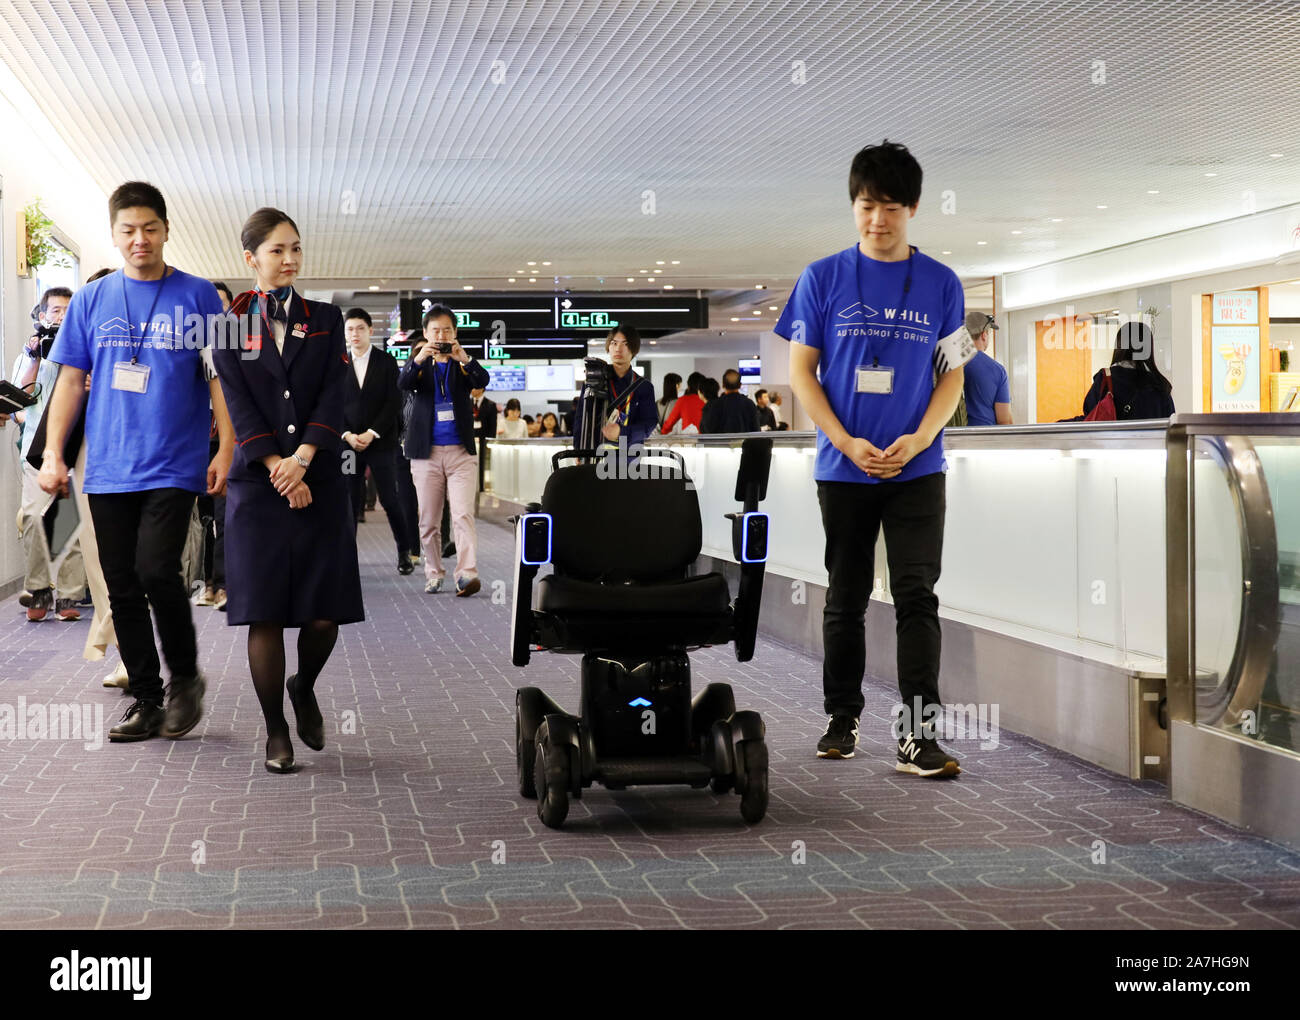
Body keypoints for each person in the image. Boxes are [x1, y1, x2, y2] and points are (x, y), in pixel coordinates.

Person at [776, 140, 974, 778]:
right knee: (847, 594)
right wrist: (841, 438)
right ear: (853, 206)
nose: (877, 220)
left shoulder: (942, 282)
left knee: (918, 594)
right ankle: (842, 716)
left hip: (917, 467)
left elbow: (953, 379)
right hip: (844, 467)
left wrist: (919, 439)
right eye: (866, 206)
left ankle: (918, 736)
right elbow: (801, 374)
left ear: (912, 207)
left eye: (890, 207)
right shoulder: (821, 277)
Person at [39, 180, 235, 742]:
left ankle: (185, 679)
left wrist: (224, 446)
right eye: (128, 230)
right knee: (121, 583)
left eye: (150, 228)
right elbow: (71, 382)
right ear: (114, 235)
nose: (139, 239)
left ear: (167, 230)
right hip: (107, 464)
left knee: (156, 570)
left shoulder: (199, 295)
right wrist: (54, 453)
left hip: (175, 459)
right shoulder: (91, 300)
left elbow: (220, 377)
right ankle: (146, 699)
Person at [212, 207, 363, 774]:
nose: (290, 259)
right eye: (277, 250)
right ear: (250, 258)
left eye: (295, 248)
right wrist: (277, 466)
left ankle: (305, 686)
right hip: (259, 484)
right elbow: (238, 403)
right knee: (266, 613)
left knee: (325, 615)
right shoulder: (228, 324)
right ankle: (276, 729)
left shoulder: (325, 319)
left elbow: (336, 395)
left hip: (317, 476)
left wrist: (302, 459)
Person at [399, 303, 489, 596]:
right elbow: (403, 383)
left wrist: (466, 359)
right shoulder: (420, 364)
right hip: (426, 453)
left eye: (447, 330)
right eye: (435, 330)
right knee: (428, 520)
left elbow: (482, 381)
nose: (441, 335)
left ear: (455, 333)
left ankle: (466, 574)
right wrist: (419, 359)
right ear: (425, 333)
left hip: (461, 452)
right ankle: (434, 572)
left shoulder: (461, 364)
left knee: (463, 515)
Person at [16, 286, 85, 622]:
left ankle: (70, 594)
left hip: (76, 445)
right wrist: (34, 358)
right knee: (32, 518)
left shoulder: (84, 347)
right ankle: (39, 588)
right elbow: (20, 401)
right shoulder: (31, 352)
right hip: (35, 448)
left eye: (68, 310)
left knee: (69, 520)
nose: (61, 316)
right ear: (42, 316)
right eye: (55, 311)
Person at [341, 307, 416, 576]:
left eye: (360, 328)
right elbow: (331, 404)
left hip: (381, 442)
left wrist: (372, 432)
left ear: (370, 331)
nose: (355, 334)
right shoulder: (338, 363)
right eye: (350, 329)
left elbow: (393, 402)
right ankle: (346, 556)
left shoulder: (385, 362)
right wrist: (347, 434)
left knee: (389, 498)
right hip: (348, 445)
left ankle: (404, 551)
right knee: (349, 500)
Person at [196, 280, 235, 611]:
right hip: (194, 441)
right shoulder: (188, 346)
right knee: (198, 517)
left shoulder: (239, 349)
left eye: (221, 305)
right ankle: (202, 582)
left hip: (226, 442)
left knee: (223, 516)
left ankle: (223, 585)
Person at [572, 325, 658, 448]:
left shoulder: (643, 386)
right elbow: (581, 418)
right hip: (594, 455)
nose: (618, 349)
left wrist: (621, 432)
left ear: (634, 349)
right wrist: (578, 450)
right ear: (609, 347)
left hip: (627, 458)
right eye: (614, 343)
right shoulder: (594, 380)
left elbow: (649, 424)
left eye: (625, 344)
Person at [1078, 321, 1174, 420]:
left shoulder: (1105, 380)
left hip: (1109, 435)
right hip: (1152, 436)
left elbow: (1090, 414)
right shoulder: (1159, 385)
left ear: (1119, 345)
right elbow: (1170, 423)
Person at [962, 312, 1012, 426]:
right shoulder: (997, 370)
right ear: (984, 335)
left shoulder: (949, 364)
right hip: (984, 439)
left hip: (950, 438)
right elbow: (1004, 421)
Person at [700, 368, 760, 433]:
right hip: (745, 443)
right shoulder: (749, 404)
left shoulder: (715, 405)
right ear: (740, 385)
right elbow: (756, 430)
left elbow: (707, 429)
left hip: (721, 443)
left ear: (723, 385)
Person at [470, 386, 497, 490]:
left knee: (482, 465)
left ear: (481, 388)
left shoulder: (490, 405)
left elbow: (492, 426)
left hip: (483, 440)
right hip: (470, 441)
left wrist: (490, 442)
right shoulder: (467, 403)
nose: (472, 390)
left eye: (474, 387)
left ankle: (481, 487)